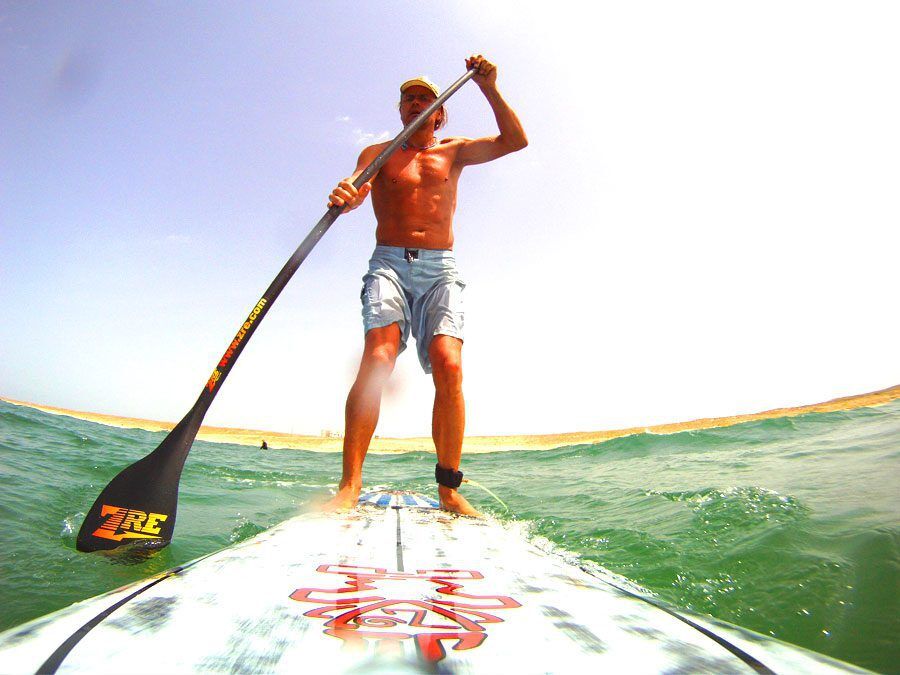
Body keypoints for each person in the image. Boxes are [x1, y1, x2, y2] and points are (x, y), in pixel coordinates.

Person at [324, 55, 527, 516]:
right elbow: (354, 192)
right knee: (377, 357)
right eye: (408, 98)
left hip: (440, 268)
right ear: (400, 111)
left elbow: (515, 141)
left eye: (425, 99)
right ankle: (350, 486)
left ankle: (449, 489)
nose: (415, 102)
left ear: (440, 113)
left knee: (449, 364)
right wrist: (344, 195)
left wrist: (490, 87)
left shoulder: (452, 151)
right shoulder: (376, 153)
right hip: (389, 263)